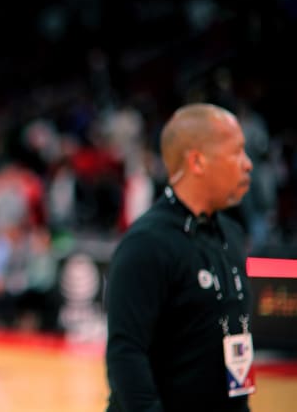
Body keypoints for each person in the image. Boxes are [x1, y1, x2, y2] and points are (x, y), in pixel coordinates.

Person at [105, 102, 255, 412]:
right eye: (237, 152)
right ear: (198, 162)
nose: (248, 164)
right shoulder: (146, 243)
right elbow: (126, 354)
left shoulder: (232, 234)